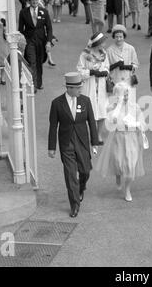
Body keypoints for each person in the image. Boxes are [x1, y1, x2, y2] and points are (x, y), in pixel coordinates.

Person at [48, 72, 99, 217]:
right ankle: (75, 205)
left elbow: (92, 122)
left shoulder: (85, 101)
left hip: (82, 142)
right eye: (78, 88)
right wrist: (52, 147)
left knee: (85, 171)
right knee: (70, 175)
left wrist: (94, 142)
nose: (81, 90)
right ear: (69, 88)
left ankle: (81, 188)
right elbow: (53, 127)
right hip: (66, 144)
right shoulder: (57, 103)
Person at [95, 81, 147, 202]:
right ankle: (118, 175)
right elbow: (111, 122)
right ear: (117, 95)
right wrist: (118, 105)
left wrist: (135, 124)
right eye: (123, 93)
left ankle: (127, 189)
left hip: (131, 138)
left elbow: (142, 124)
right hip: (118, 138)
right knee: (118, 162)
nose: (126, 96)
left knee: (130, 165)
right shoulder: (111, 107)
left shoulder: (135, 107)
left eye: (127, 93)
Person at [77, 31, 109, 145]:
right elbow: (79, 71)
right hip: (90, 85)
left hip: (101, 86)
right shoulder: (85, 54)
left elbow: (107, 67)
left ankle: (99, 136)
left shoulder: (103, 53)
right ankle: (92, 136)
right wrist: (91, 72)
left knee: (102, 111)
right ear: (97, 43)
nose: (104, 44)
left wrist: (104, 72)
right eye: (102, 42)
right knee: (91, 112)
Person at [18, 0, 53, 90]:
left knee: (39, 62)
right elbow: (20, 29)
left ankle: (39, 82)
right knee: (32, 61)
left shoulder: (44, 12)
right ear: (29, 1)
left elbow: (49, 28)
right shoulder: (23, 13)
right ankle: (33, 84)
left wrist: (48, 42)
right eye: (32, 0)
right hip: (29, 41)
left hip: (41, 41)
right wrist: (21, 41)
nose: (35, 1)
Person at [106, 24, 139, 89]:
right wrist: (116, 65)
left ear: (124, 37)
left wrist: (127, 67)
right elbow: (106, 67)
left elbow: (135, 64)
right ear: (113, 37)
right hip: (115, 81)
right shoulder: (109, 50)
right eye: (116, 37)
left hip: (128, 81)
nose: (118, 39)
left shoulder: (130, 48)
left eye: (121, 37)